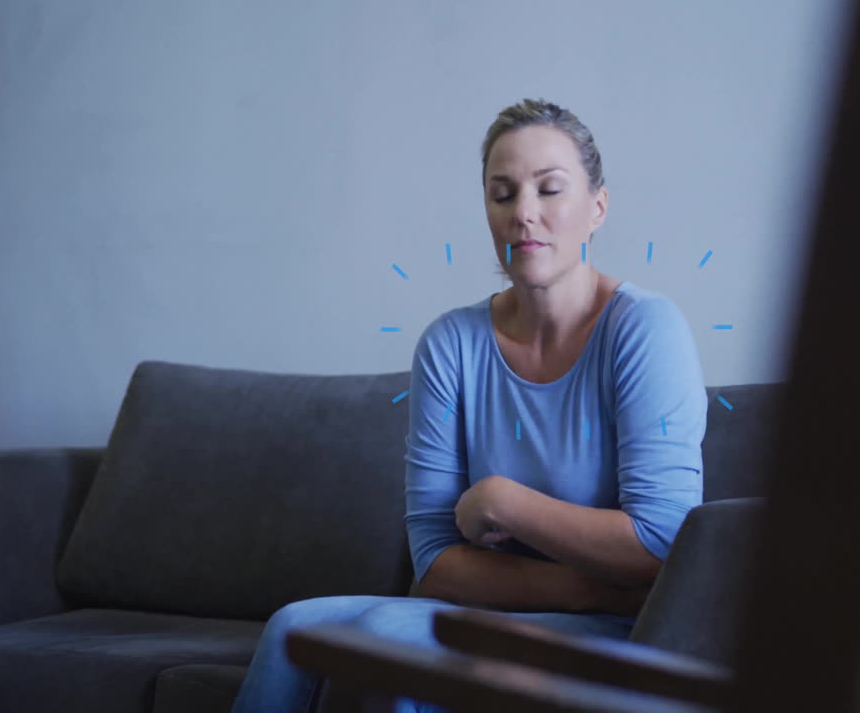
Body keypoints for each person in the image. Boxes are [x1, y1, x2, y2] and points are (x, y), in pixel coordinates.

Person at [230, 98, 707, 713]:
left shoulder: (645, 329)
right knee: (293, 627)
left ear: (597, 208)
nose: (524, 215)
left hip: (620, 634)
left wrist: (504, 501)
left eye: (550, 189)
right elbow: (435, 564)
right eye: (502, 194)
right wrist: (594, 588)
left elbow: (661, 546)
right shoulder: (451, 343)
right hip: (557, 607)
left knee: (386, 639)